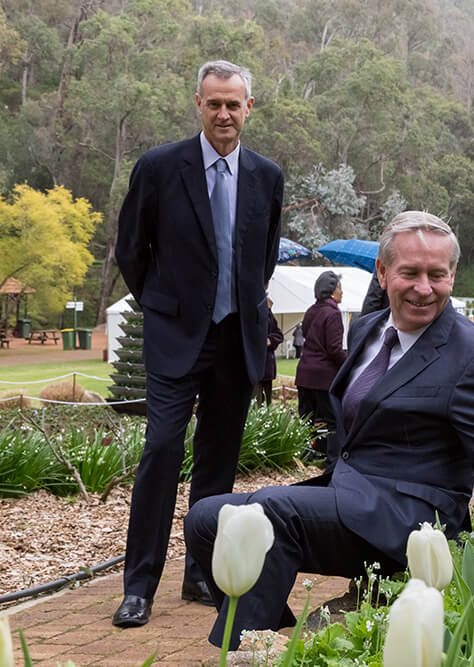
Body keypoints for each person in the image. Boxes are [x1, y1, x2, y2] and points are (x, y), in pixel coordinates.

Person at [184, 212, 474, 649]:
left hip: (408, 520)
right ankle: (270, 628)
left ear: (452, 275)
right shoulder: (368, 329)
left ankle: (239, 649)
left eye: (437, 275)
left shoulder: (473, 357)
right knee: (205, 518)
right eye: (409, 273)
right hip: (349, 493)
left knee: (269, 510)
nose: (424, 288)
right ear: (382, 271)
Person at [112, 60, 283, 628]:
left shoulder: (267, 176)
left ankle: (202, 574)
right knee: (161, 450)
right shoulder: (160, 168)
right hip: (175, 337)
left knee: (217, 464)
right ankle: (139, 585)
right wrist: (165, 304)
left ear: (249, 107)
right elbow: (132, 250)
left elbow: (263, 259)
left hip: (235, 339)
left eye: (234, 104)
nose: (224, 113)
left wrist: (248, 315)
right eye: (214, 103)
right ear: (198, 103)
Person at [294, 272, 348, 460]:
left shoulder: (311, 310)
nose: (342, 292)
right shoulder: (332, 313)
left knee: (307, 419)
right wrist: (348, 364)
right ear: (332, 291)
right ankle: (332, 460)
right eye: (340, 288)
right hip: (323, 377)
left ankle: (307, 455)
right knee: (332, 421)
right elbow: (334, 349)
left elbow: (309, 337)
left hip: (304, 372)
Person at [256, 298, 283, 405]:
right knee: (255, 400)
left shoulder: (269, 316)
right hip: (255, 365)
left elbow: (278, 335)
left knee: (268, 401)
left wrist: (270, 340)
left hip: (267, 364)